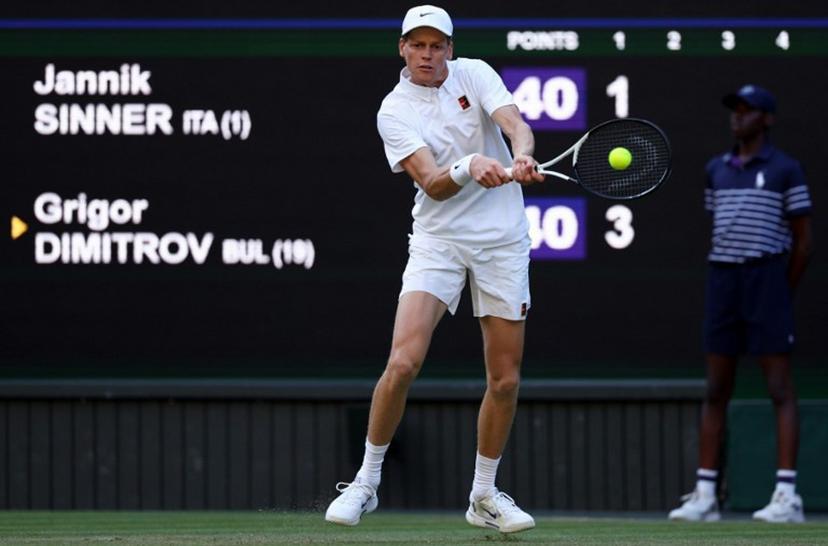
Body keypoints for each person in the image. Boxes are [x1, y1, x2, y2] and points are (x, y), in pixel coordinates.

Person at [324, 4, 544, 533]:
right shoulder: (393, 110)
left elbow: (515, 124)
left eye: (437, 45)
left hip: (502, 243)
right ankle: (366, 482)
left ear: (450, 47)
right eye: (417, 45)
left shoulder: (476, 73)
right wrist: (472, 166)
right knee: (403, 362)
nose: (428, 54)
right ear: (402, 47)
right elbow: (432, 181)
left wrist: (522, 155)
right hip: (438, 241)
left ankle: (484, 495)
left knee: (505, 379)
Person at [669, 85, 813, 523]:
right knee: (715, 389)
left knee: (779, 389)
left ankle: (787, 496)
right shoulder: (717, 169)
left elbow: (803, 243)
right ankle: (706, 494)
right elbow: (720, 225)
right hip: (724, 281)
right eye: (735, 110)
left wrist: (778, 288)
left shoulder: (786, 169)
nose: (738, 117)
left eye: (748, 111)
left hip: (766, 279)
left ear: (766, 119)